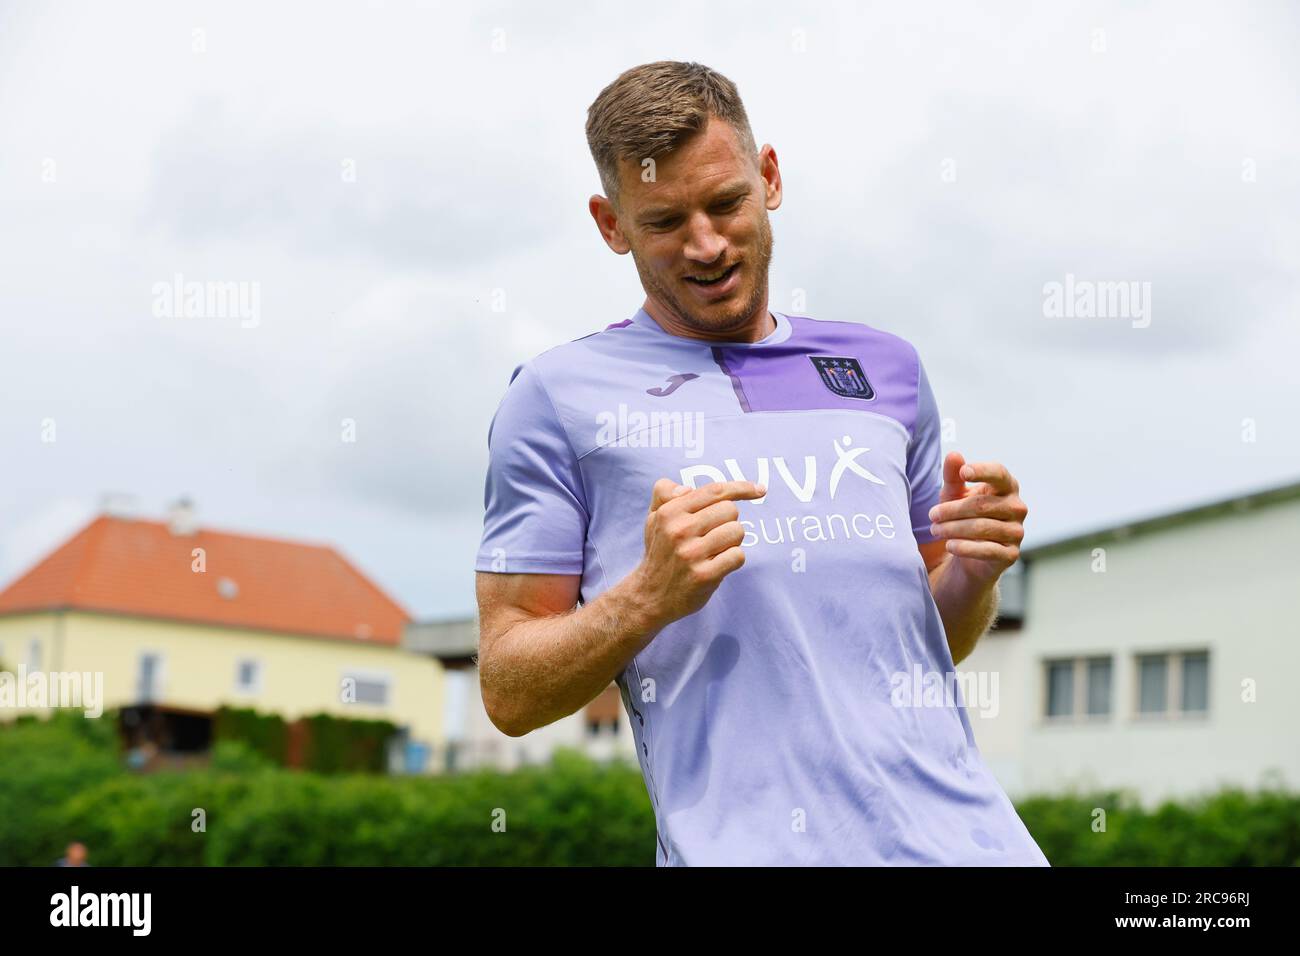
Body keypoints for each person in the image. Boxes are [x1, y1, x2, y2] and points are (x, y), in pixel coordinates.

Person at [474, 61, 1047, 866]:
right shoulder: (556, 397)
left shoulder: (887, 369)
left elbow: (930, 645)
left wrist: (973, 574)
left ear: (768, 177)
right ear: (612, 225)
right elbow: (506, 689)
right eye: (666, 220)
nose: (706, 244)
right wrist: (644, 598)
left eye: (726, 203)